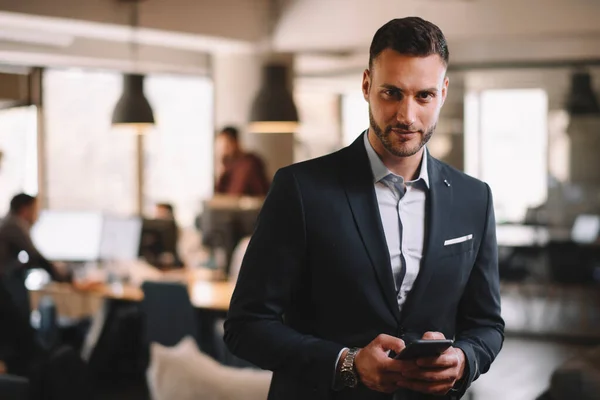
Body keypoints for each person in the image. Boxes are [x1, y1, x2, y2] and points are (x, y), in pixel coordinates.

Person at [224, 17, 504, 400]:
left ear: (443, 92)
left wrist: (464, 359)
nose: (407, 115)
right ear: (366, 85)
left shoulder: (475, 198)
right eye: (392, 93)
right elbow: (246, 326)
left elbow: (487, 324)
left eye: (424, 95)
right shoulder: (300, 190)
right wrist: (346, 363)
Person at [0, 193, 66, 281]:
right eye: (35, 210)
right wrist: (63, 277)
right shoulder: (14, 225)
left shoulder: (7, 221)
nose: (37, 217)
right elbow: (35, 256)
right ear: (25, 210)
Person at [214, 126, 270, 197]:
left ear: (235, 142)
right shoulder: (227, 166)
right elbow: (220, 194)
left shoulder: (249, 163)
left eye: (226, 145)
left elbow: (238, 192)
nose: (224, 150)